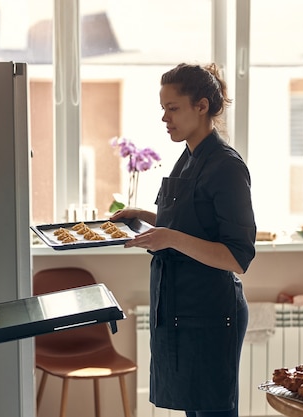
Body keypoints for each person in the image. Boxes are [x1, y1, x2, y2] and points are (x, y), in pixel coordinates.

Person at [110, 63, 256, 417]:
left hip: (210, 313)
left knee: (212, 411)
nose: (164, 118)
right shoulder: (188, 158)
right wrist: (145, 217)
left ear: (202, 106)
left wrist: (170, 237)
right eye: (163, 108)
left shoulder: (226, 167)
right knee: (194, 410)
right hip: (180, 309)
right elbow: (191, 224)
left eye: (172, 108)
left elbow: (237, 257)